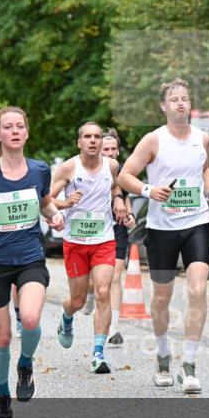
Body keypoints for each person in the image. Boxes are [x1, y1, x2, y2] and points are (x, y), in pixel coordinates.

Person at [118, 78, 209, 394]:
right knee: (162, 298)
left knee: (197, 289)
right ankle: (163, 354)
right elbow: (125, 175)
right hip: (162, 229)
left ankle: (189, 366)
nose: (181, 103)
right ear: (164, 106)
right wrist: (150, 190)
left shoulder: (202, 139)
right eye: (174, 99)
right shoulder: (153, 140)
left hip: (196, 224)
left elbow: (204, 168)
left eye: (185, 99)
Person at [0, 106, 65, 418]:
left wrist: (56, 216)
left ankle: (26, 363)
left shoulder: (39, 170)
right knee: (2, 338)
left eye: (20, 126)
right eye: (8, 127)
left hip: (30, 257)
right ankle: (3, 392)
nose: (15, 131)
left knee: (30, 318)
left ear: (26, 132)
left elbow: (45, 203)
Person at [50, 122, 128, 374]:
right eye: (88, 137)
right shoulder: (68, 167)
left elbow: (116, 186)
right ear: (80, 142)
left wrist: (118, 199)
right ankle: (67, 317)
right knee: (78, 299)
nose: (93, 141)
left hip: (103, 239)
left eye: (96, 136)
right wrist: (64, 204)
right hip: (75, 242)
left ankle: (98, 354)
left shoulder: (112, 166)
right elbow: (47, 199)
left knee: (103, 291)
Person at [101, 129, 136, 346]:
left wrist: (130, 216)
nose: (111, 153)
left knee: (114, 277)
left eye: (114, 149)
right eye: (107, 149)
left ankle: (114, 327)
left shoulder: (123, 173)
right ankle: (89, 297)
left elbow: (126, 197)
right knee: (94, 283)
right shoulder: (88, 170)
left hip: (117, 228)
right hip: (93, 229)